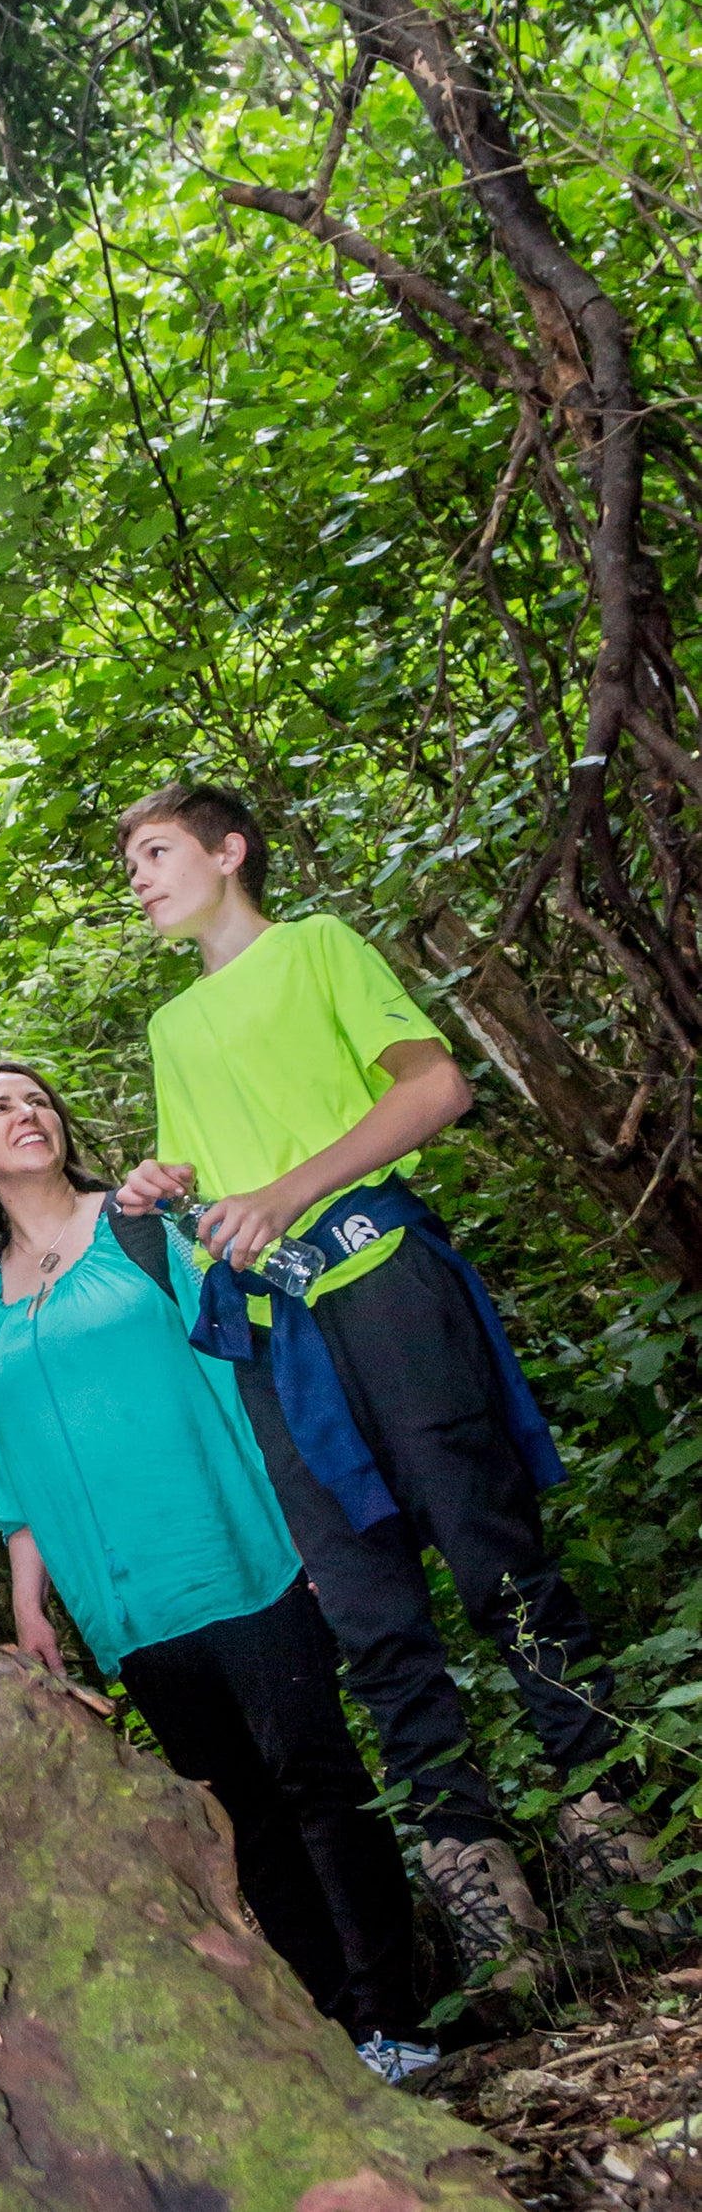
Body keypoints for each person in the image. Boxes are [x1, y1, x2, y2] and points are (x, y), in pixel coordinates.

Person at [112, 780, 675, 1992]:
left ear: (229, 849)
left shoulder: (317, 948)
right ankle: (487, 1901)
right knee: (368, 1615)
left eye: (158, 853)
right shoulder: (170, 1029)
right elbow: (223, 1178)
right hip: (274, 1335)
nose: (141, 879)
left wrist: (288, 1191)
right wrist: (169, 1182)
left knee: (490, 1552)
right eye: (132, 866)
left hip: (381, 1279)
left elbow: (433, 1089)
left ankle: (618, 1848)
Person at [0, 1058, 434, 2080]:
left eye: (36, 1098)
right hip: (124, 1606)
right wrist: (29, 1602)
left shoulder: (136, 1232)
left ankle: (407, 2018)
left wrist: (306, 1523)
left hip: (239, 1552)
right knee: (240, 1816)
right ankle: (342, 2037)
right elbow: (12, 1462)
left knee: (319, 1780)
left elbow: (242, 1366)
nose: (26, 1113)